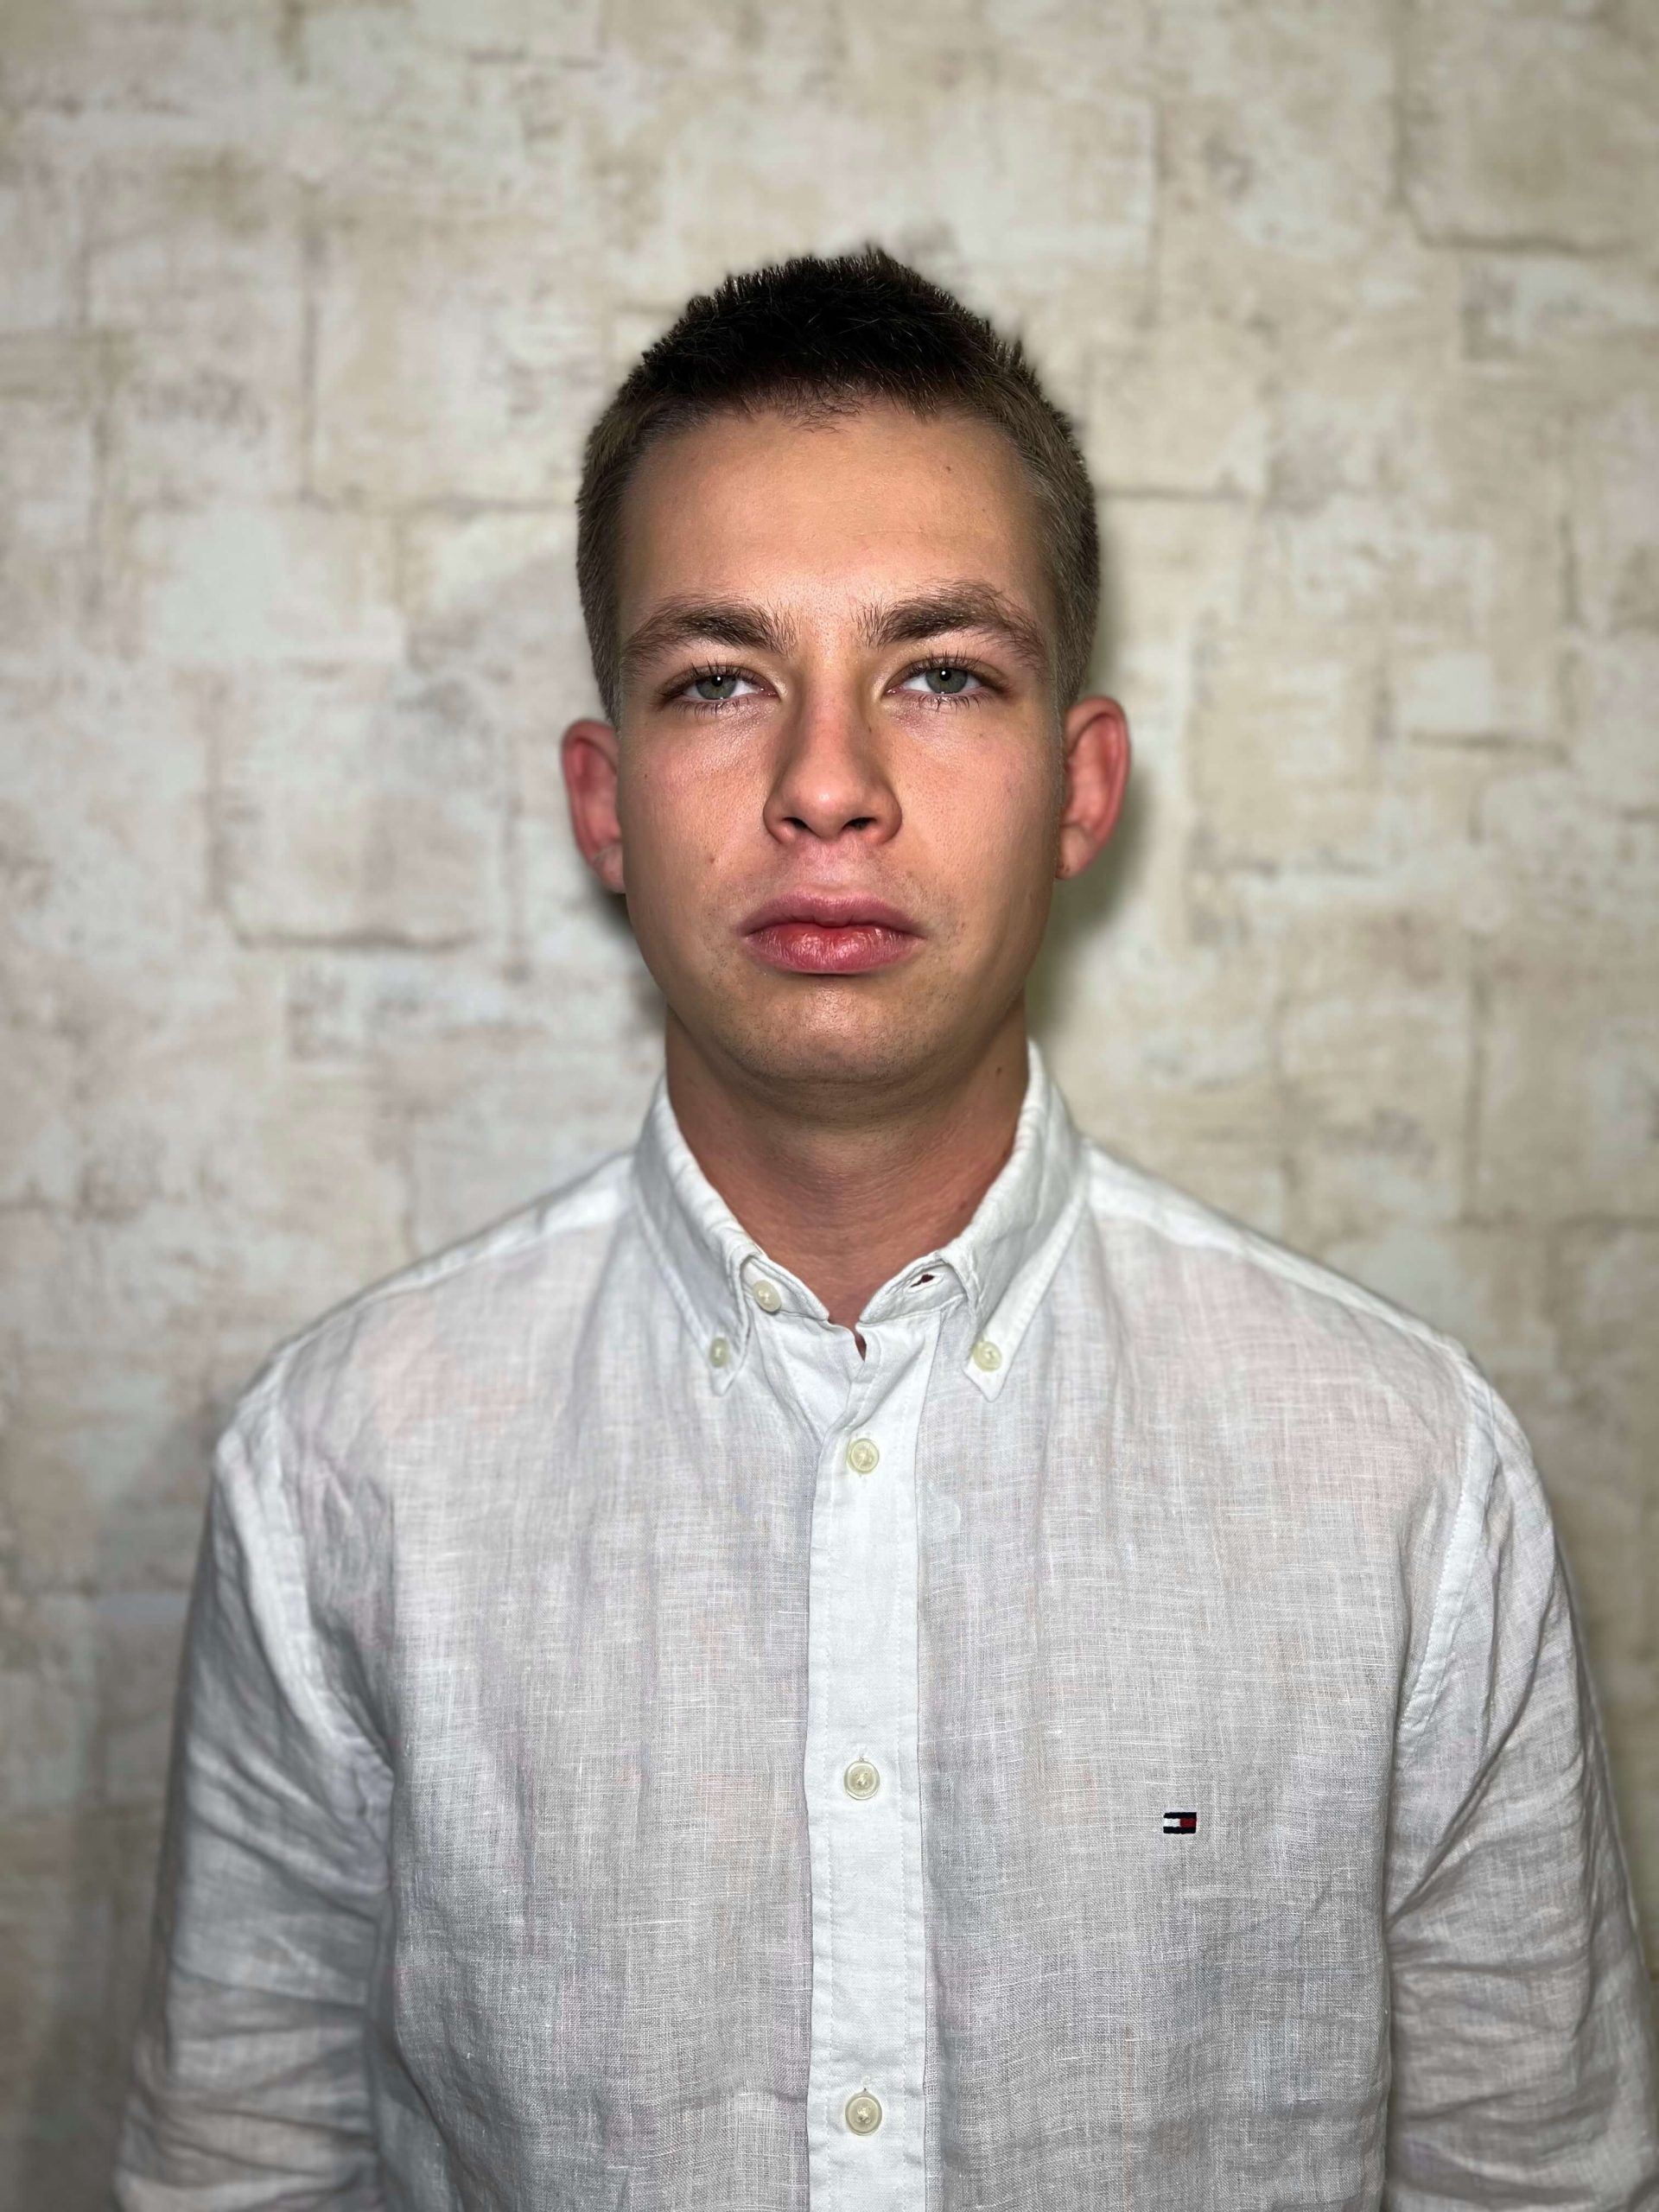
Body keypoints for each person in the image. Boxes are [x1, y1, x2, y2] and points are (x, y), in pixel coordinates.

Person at [115, 246, 1657, 2210]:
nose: (827, 785)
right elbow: (243, 2166)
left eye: (940, 674)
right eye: (718, 680)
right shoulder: (341, 1467)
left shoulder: (1408, 1475)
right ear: (605, 801)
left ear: (1080, 787)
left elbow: (1538, 2180)